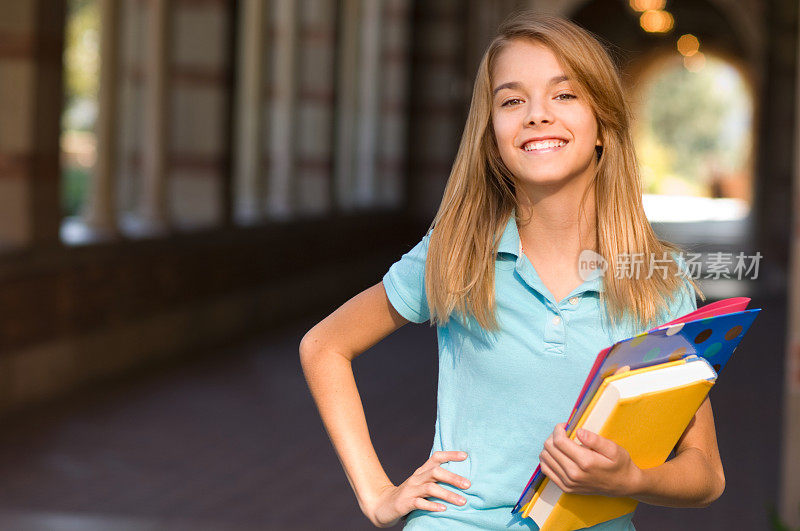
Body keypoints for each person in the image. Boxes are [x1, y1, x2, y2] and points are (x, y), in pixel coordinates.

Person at [299, 11, 725, 530]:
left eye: (564, 95)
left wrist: (631, 479)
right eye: (512, 100)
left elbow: (705, 473)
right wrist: (377, 494)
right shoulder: (456, 252)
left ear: (602, 128)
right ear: (492, 135)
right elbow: (324, 347)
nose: (537, 115)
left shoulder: (659, 280)